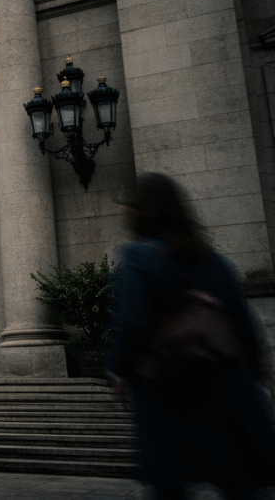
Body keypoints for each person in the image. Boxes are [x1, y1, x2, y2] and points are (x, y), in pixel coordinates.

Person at [109, 173, 275, 500]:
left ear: (142, 210)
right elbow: (244, 328)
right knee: (239, 485)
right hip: (225, 390)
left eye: (129, 204)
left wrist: (118, 371)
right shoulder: (214, 261)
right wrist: (250, 379)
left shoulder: (139, 258)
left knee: (168, 487)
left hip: (168, 394)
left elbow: (130, 324)